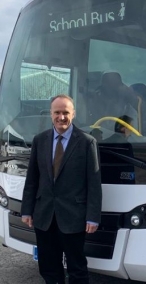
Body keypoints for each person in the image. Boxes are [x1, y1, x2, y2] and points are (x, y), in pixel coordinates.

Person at [21, 94, 102, 284]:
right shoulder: (40, 140)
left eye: (65, 112)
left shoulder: (86, 142)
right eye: (57, 112)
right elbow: (32, 179)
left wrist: (93, 216)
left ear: (73, 114)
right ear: (50, 114)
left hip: (73, 217)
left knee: (77, 268)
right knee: (48, 267)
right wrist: (27, 210)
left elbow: (94, 183)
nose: (61, 117)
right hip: (44, 216)